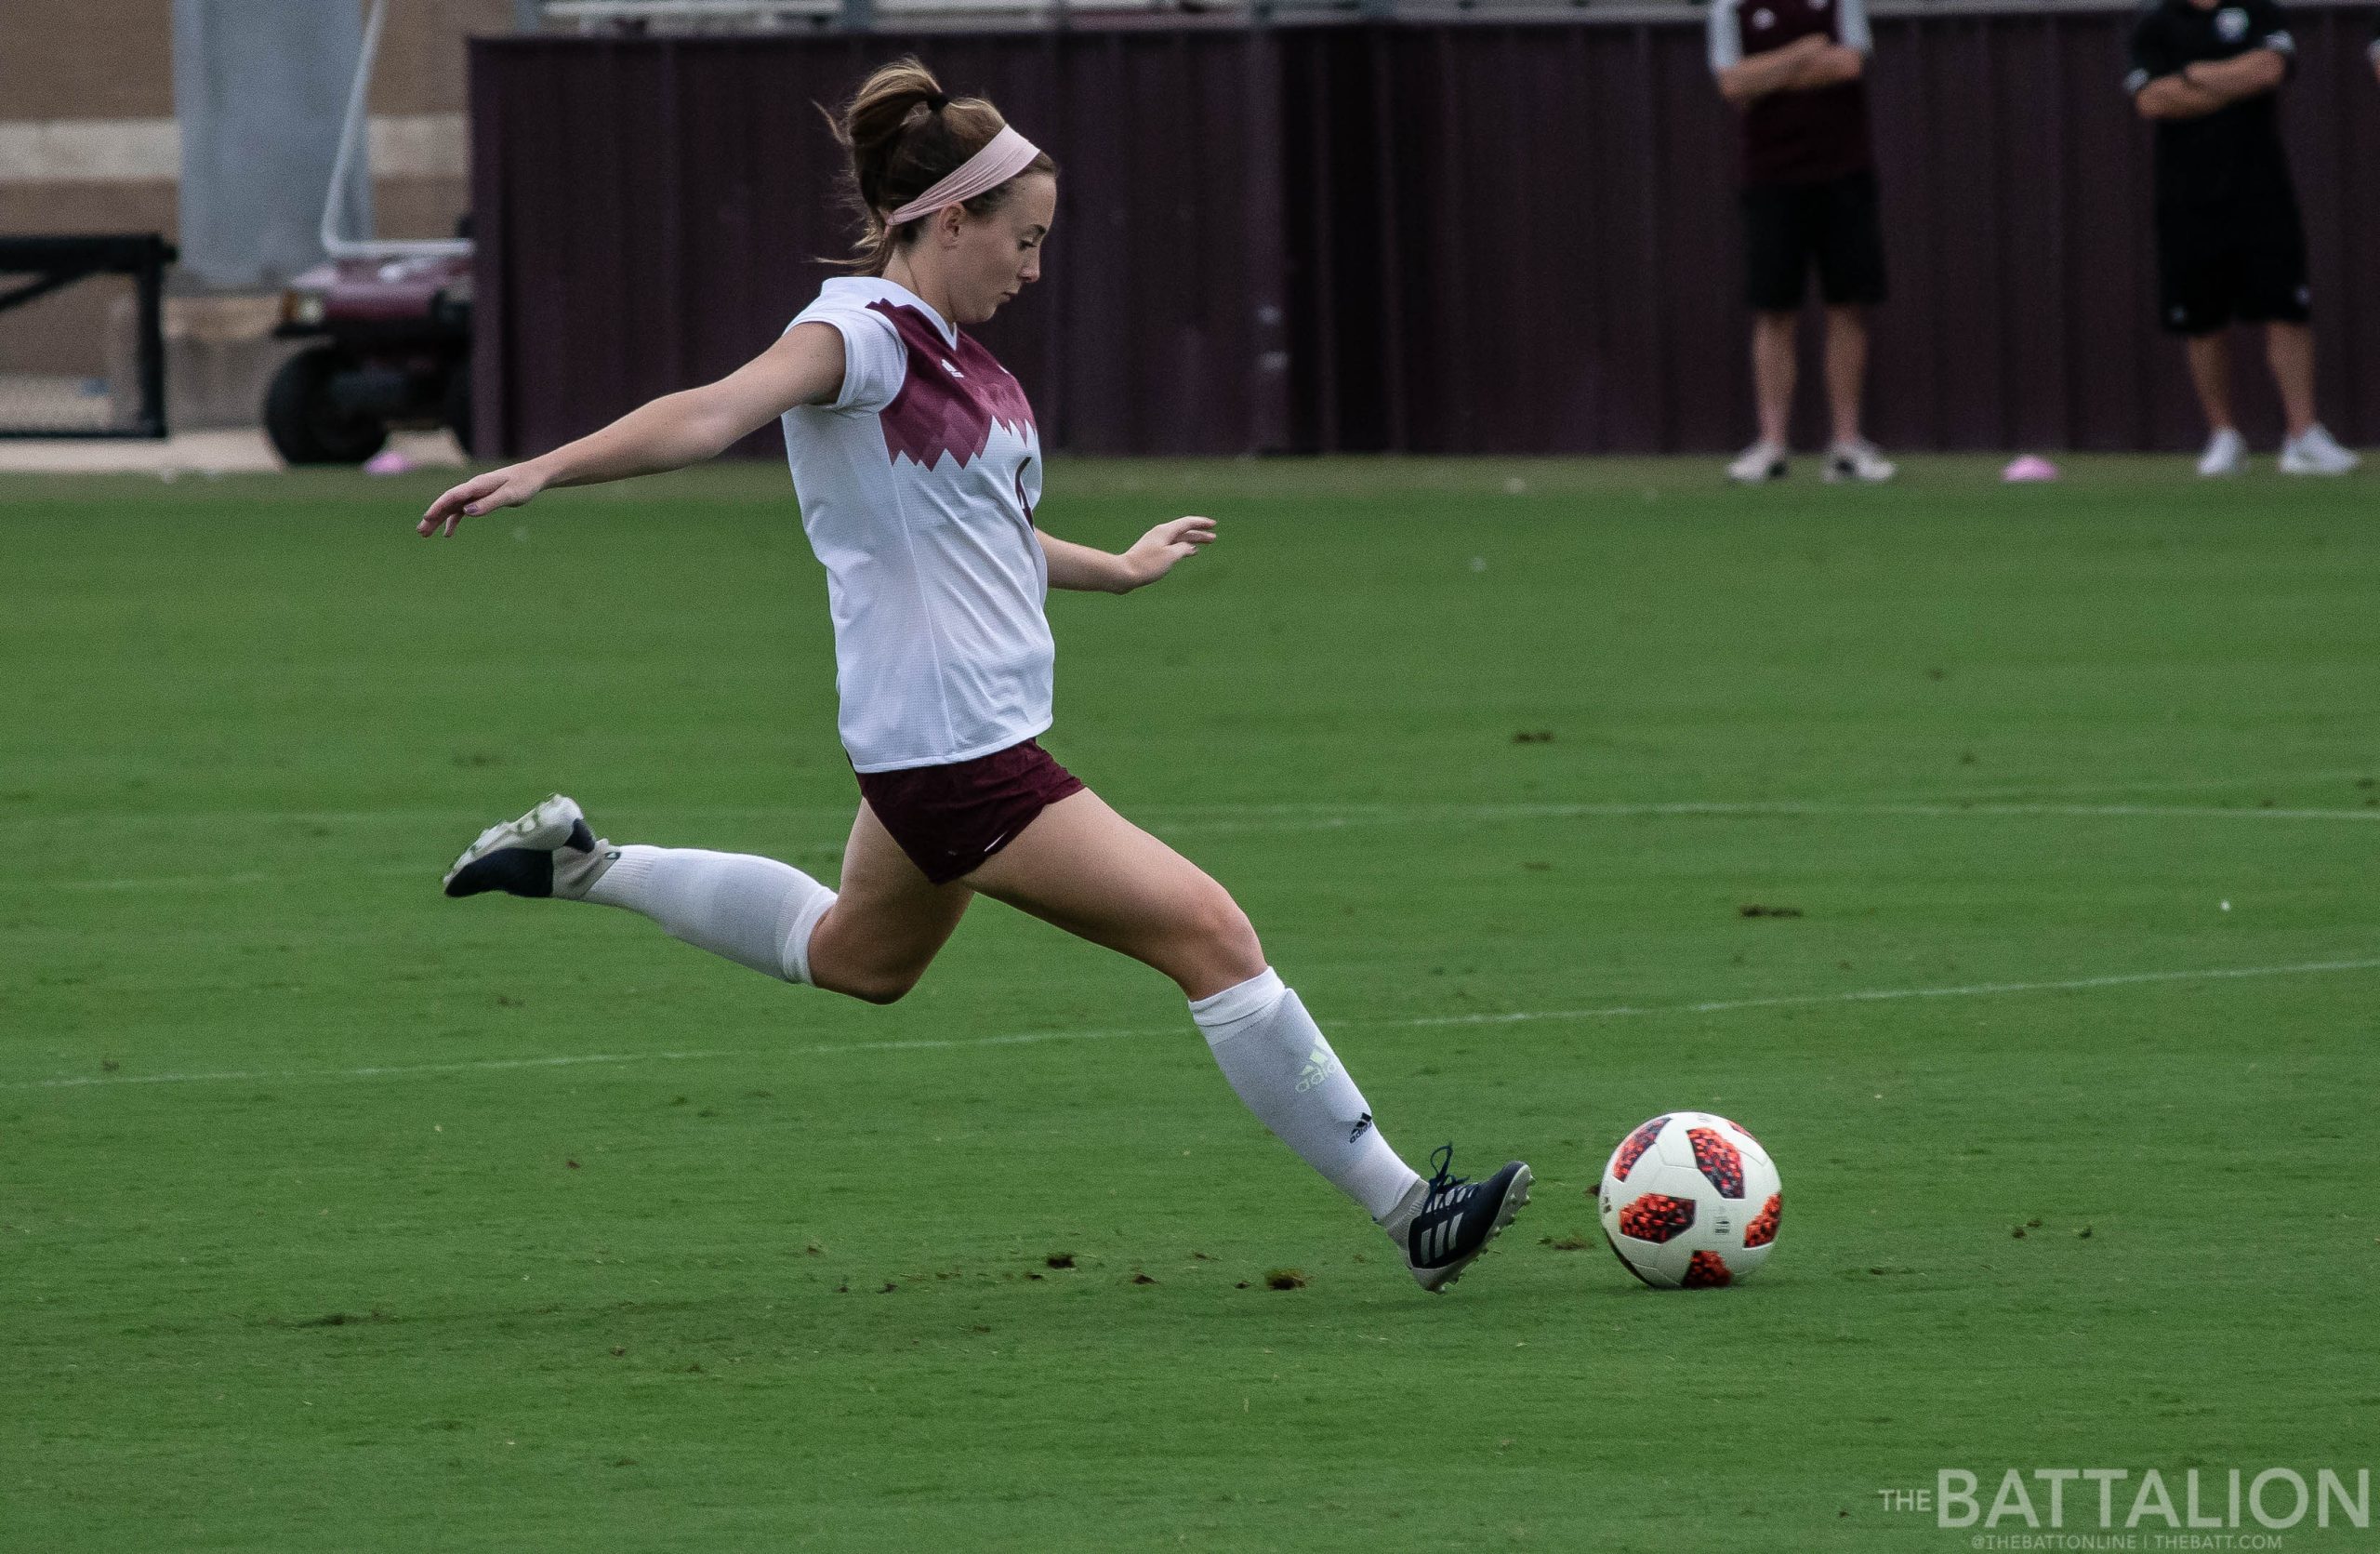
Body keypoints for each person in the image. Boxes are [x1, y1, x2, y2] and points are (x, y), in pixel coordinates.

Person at [415, 59, 1531, 1293]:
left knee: (859, 959)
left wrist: (1116, 566)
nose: (1032, 269)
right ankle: (1412, 1209)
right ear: (950, 219)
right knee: (1213, 932)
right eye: (1023, 239)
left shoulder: (965, 358)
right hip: (958, 753)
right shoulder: (860, 335)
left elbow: (982, 533)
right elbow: (712, 412)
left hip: (939, 743)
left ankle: (582, 859)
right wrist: (543, 469)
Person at [2127, 0, 2360, 474]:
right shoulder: (2154, 23)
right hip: (2186, 198)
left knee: (2286, 307)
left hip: (2261, 189)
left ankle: (2302, 435)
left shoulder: (2258, 10)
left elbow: (2269, 69)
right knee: (2201, 319)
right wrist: (2232, 80)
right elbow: (2152, 99)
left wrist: (2192, 76)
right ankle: (2224, 436)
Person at [1709, 0, 1897, 485]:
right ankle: (1772, 445)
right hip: (1771, 180)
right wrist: (1802, 52)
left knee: (1848, 305)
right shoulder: (1731, 7)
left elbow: (1848, 64)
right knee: (1773, 309)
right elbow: (1733, 84)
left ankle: (1847, 445)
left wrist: (1767, 73)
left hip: (1844, 174)